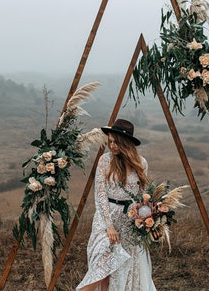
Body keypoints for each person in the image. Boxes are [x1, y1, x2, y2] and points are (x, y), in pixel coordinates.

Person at [76, 119, 156, 291]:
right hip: (106, 217)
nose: (111, 146)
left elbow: (143, 196)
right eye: (110, 141)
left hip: (129, 220)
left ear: (125, 143)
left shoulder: (141, 163)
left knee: (120, 268)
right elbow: (100, 194)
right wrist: (109, 226)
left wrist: (148, 217)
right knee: (102, 263)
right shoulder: (105, 161)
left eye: (115, 142)